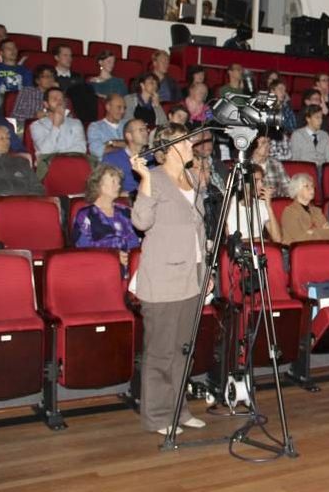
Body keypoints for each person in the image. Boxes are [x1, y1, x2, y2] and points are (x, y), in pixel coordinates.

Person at [129, 123, 208, 435]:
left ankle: (179, 409)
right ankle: (159, 416)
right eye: (186, 141)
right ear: (170, 147)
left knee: (182, 350)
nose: (192, 145)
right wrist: (146, 179)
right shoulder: (156, 179)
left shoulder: (192, 178)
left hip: (192, 278)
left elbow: (199, 231)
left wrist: (207, 271)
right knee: (161, 353)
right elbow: (141, 220)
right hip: (162, 279)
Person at [71, 163, 140, 268]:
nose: (118, 186)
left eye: (119, 182)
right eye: (113, 181)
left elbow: (135, 241)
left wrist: (128, 255)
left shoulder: (125, 212)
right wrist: (113, 255)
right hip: (99, 267)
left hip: (129, 265)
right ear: (98, 185)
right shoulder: (86, 215)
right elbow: (82, 247)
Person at [224, 163, 282, 243]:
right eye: (256, 180)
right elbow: (230, 242)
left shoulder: (261, 205)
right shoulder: (228, 205)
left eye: (261, 181)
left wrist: (269, 206)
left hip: (259, 251)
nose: (261, 185)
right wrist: (259, 240)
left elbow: (278, 239)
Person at [280, 173, 329, 245]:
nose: (311, 189)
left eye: (312, 186)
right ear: (297, 190)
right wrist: (321, 231)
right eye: (306, 186)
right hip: (299, 252)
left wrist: (311, 232)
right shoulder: (289, 212)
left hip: (319, 248)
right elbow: (300, 240)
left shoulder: (316, 211)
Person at [29, 88, 87, 156]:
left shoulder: (76, 123)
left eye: (61, 99)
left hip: (73, 161)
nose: (59, 102)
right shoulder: (37, 125)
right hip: (49, 163)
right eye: (55, 99)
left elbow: (81, 148)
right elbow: (44, 151)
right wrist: (55, 126)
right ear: (46, 104)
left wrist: (59, 154)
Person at [102, 118, 149, 194]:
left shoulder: (152, 158)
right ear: (129, 136)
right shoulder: (112, 160)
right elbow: (105, 190)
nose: (146, 133)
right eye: (141, 130)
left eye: (146, 129)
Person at [268, 79, 296, 161]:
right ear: (272, 91)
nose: (283, 92)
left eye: (284, 90)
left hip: (285, 141)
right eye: (280, 89)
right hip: (270, 142)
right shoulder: (265, 108)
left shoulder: (286, 108)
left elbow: (293, 128)